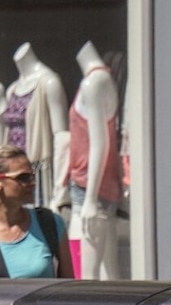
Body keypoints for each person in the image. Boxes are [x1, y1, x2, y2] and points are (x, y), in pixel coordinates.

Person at [0, 145, 74, 281]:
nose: (32, 183)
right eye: (23, 177)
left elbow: (69, 290)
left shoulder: (50, 224)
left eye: (32, 176)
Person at [67, 40, 122, 280]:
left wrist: (89, 199)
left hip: (89, 191)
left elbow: (101, 143)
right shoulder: (99, 79)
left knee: (83, 274)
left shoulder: (94, 83)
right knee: (109, 273)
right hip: (95, 189)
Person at [2, 42, 69, 210]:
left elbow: (62, 138)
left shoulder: (49, 83)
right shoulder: (12, 89)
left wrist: (59, 189)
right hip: (12, 172)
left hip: (37, 173)